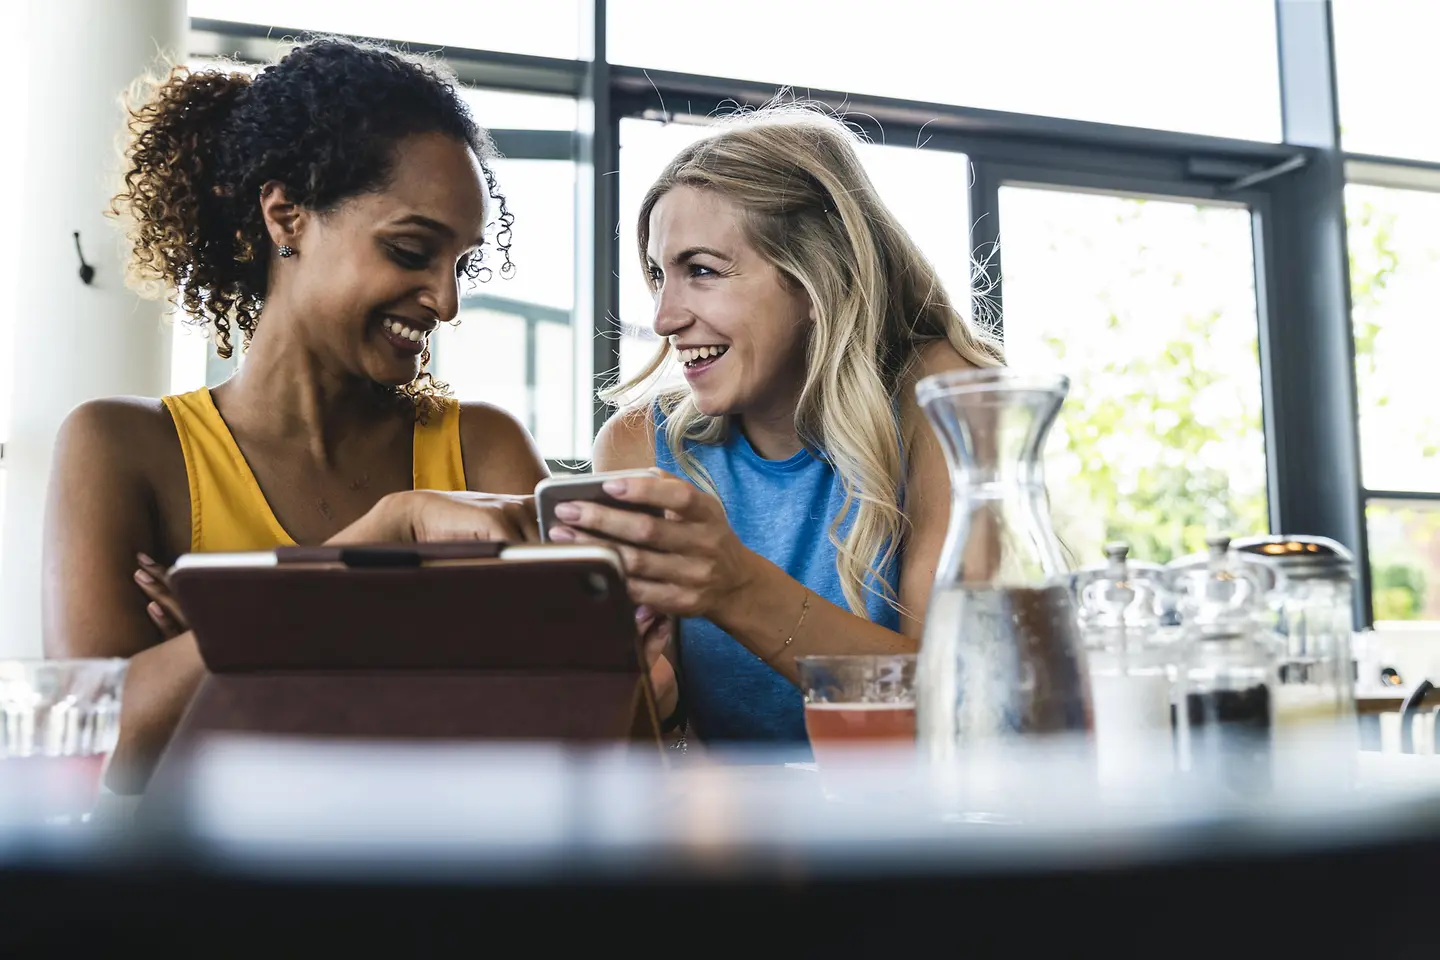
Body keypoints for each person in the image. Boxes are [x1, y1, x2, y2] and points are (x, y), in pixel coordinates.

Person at [43, 39, 549, 792]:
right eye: (411, 250)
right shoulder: (123, 446)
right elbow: (98, 753)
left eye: (462, 264)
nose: (446, 301)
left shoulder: (482, 449)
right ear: (286, 216)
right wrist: (383, 541)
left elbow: (552, 732)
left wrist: (230, 631)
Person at [549, 105, 1006, 749]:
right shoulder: (636, 446)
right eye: (658, 275)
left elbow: (964, 698)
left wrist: (736, 587)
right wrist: (657, 704)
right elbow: (666, 747)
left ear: (817, 279)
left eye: (701, 271)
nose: (663, 318)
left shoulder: (943, 399)